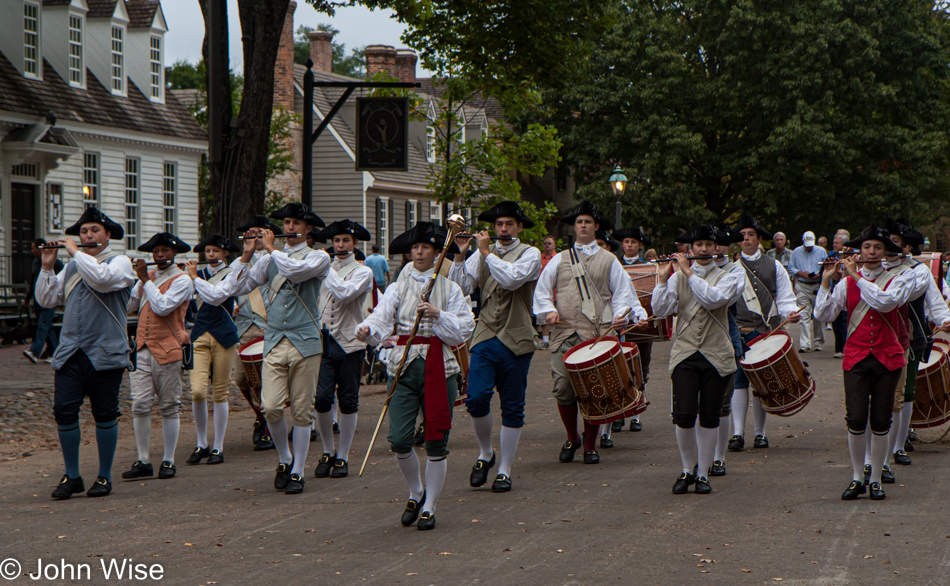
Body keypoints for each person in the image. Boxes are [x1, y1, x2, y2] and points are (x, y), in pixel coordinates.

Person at [356, 221, 476, 530]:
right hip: (403, 365)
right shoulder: (398, 286)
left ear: (437, 252)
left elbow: (464, 328)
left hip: (440, 367)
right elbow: (382, 315)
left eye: (424, 247)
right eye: (414, 247)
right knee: (398, 439)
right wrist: (369, 329)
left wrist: (439, 315)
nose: (418, 252)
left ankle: (430, 507)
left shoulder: (450, 288)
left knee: (436, 441)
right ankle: (416, 491)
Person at [225, 202, 331, 495]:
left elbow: (296, 273)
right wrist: (246, 256)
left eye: (296, 223)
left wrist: (271, 249)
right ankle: (285, 458)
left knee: (301, 411)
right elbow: (237, 287)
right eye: (286, 223)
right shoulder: (269, 260)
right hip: (274, 340)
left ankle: (298, 471)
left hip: (305, 342)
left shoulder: (318, 257)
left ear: (308, 229)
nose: (289, 228)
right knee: (269, 406)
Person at [532, 201, 646, 465]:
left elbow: (623, 293)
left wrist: (621, 316)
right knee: (562, 388)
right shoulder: (559, 259)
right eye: (579, 222)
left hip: (597, 334)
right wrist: (548, 310)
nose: (583, 226)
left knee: (594, 391)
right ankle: (573, 437)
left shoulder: (610, 260)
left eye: (587, 222)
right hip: (563, 335)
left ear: (596, 227)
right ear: (574, 227)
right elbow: (541, 290)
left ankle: (591, 445)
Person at [37, 208, 134, 499]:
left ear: (107, 235)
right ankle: (73, 476)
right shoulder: (72, 266)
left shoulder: (121, 262)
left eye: (93, 230)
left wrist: (76, 252)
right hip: (70, 353)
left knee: (104, 413)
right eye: (83, 231)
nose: (88, 235)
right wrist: (47, 266)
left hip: (105, 353)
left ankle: (104, 477)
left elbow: (102, 280)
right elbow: (46, 299)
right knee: (64, 412)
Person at [450, 201, 541, 493]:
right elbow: (460, 288)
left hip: (517, 337)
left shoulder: (531, 253)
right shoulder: (481, 253)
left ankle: (504, 470)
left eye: (509, 224)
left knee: (513, 406)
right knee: (475, 397)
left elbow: (512, 280)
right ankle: (486, 454)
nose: (503, 229)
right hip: (486, 334)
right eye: (499, 224)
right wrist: (461, 258)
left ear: (519, 227)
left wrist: (487, 253)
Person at [814, 226, 909, 500]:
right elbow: (824, 314)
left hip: (887, 357)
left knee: (881, 420)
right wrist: (825, 281)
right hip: (856, 357)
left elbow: (885, 303)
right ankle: (858, 477)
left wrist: (854, 274)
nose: (871, 252)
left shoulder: (898, 278)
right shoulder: (845, 283)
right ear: (859, 251)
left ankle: (876, 477)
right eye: (866, 248)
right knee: (856, 418)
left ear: (884, 252)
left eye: (876, 248)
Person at [651, 225, 744, 494]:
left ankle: (703, 473)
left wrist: (688, 272)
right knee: (684, 414)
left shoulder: (729, 275)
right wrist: (661, 278)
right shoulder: (677, 277)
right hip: (685, 353)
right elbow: (660, 310)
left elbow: (713, 299)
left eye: (708, 244)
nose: (703, 249)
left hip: (717, 354)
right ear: (689, 249)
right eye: (698, 245)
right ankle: (686, 469)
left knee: (710, 415)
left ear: (716, 248)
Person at [122, 232, 194, 482]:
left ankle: (168, 459)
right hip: (141, 348)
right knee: (139, 405)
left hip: (168, 349)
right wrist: (130, 280)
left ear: (174, 253)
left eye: (165, 251)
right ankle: (143, 460)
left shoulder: (183, 280)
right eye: (156, 252)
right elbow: (129, 306)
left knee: (169, 406)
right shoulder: (148, 278)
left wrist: (145, 281)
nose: (159, 255)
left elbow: (163, 306)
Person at [882, 218, 950, 469]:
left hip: (909, 336)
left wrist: (945, 320)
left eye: (894, 242)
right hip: (874, 339)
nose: (886, 247)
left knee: (905, 392)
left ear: (907, 247)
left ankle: (898, 446)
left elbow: (933, 302)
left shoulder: (918, 271)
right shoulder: (871, 268)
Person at [729, 215, 800, 453]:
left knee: (762, 384)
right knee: (739, 383)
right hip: (740, 333)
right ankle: (738, 433)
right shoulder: (731, 269)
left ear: (759, 239)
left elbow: (786, 296)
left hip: (767, 333)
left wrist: (791, 312)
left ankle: (760, 433)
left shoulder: (775, 266)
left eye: (750, 235)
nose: (746, 239)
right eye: (742, 236)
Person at [311, 219, 374, 479]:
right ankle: (327, 450)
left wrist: (325, 267)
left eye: (345, 241)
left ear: (355, 243)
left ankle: (343, 456)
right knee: (323, 398)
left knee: (348, 400)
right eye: (336, 241)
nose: (340, 245)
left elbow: (345, 294)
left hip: (350, 342)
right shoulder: (325, 268)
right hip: (324, 341)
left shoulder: (363, 271)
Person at [183, 235, 242, 466]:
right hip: (199, 335)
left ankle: (218, 446)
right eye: (208, 250)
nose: (211, 254)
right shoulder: (195, 274)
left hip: (224, 336)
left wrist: (194, 277)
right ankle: (201, 443)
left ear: (225, 253)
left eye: (216, 250)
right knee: (197, 391)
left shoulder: (231, 274)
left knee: (220, 392)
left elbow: (216, 297)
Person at [231, 216, 279, 451]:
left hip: (268, 326)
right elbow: (228, 288)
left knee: (267, 380)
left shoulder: (275, 258)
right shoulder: (239, 261)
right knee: (242, 379)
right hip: (243, 327)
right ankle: (259, 415)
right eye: (250, 232)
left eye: (259, 232)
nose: (254, 236)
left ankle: (269, 429)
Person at [708, 223, 745, 476]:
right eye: (713, 244)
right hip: (694, 343)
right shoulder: (695, 269)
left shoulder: (734, 272)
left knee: (721, 403)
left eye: (722, 244)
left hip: (724, 339)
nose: (718, 248)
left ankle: (719, 457)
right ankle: (701, 457)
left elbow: (721, 300)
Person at [612, 226, 654, 434]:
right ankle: (620, 413)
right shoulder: (613, 265)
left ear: (639, 245)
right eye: (626, 242)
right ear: (622, 244)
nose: (629, 245)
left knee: (639, 370)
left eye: (633, 242)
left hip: (640, 326)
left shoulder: (647, 267)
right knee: (618, 371)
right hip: (617, 326)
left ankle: (636, 414)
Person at [24, 238, 63, 363]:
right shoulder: (35, 263)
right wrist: (27, 298)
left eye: (33, 248)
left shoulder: (55, 262)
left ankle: (34, 352)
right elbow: (33, 282)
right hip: (37, 300)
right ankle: (55, 354)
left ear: (40, 248)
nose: (31, 251)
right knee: (47, 327)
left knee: (42, 326)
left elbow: (62, 274)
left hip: (48, 298)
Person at [788, 231, 828, 353]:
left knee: (817, 315)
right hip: (802, 284)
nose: (809, 247)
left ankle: (818, 342)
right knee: (804, 315)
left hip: (816, 285)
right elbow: (791, 267)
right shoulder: (796, 251)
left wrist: (819, 275)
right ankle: (805, 343)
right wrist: (801, 273)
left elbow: (826, 266)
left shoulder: (821, 251)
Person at [827, 235, 849, 358]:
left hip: (845, 292)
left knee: (844, 322)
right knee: (835, 321)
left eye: (837, 243)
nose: (834, 245)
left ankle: (845, 348)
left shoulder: (850, 258)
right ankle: (838, 348)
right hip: (833, 289)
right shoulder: (831, 257)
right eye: (833, 242)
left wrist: (842, 274)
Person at [538, 235, 558, 349]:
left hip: (557, 293)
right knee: (543, 319)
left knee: (556, 318)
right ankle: (545, 341)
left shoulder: (558, 258)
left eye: (549, 243)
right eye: (545, 243)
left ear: (554, 245)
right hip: (543, 293)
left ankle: (555, 340)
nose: (547, 245)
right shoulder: (539, 258)